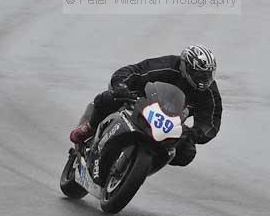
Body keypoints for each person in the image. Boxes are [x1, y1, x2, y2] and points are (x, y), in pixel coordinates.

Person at [69, 45, 222, 166]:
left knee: (187, 153)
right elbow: (135, 71)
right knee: (108, 98)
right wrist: (122, 86)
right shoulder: (167, 65)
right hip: (140, 102)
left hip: (170, 123)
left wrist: (195, 133)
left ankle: (146, 164)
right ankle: (89, 127)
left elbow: (211, 121)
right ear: (186, 67)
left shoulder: (209, 91)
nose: (204, 80)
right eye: (200, 75)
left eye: (208, 75)